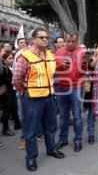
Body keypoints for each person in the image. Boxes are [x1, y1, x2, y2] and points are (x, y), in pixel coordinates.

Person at [12, 28, 65, 172]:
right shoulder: (25, 56)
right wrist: (25, 91)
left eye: (47, 37)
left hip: (49, 96)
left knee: (50, 126)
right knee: (30, 131)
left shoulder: (50, 55)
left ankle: (51, 149)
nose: (46, 39)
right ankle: (31, 158)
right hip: (32, 98)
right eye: (41, 37)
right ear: (32, 40)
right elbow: (16, 78)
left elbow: (52, 73)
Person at [55, 32, 88, 152]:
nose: (70, 43)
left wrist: (85, 64)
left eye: (73, 41)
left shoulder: (82, 52)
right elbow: (54, 68)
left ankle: (78, 140)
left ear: (77, 40)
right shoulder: (59, 51)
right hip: (61, 87)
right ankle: (63, 139)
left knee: (77, 115)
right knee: (63, 116)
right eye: (68, 41)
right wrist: (60, 67)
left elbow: (84, 72)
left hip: (76, 86)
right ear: (65, 39)